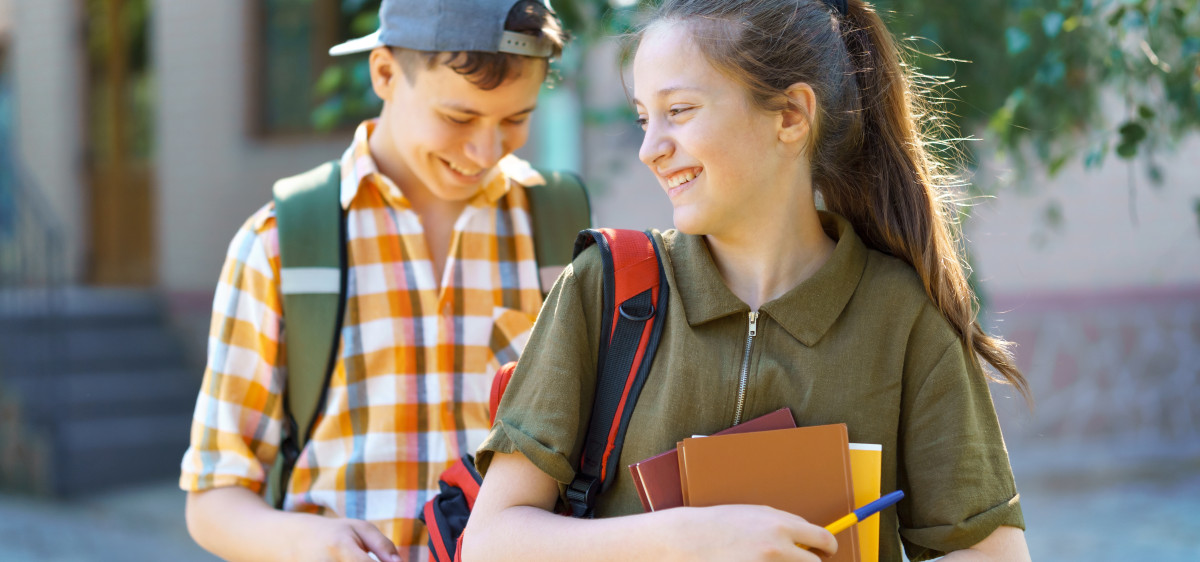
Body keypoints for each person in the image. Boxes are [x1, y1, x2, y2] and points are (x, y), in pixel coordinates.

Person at [462, 0, 1033, 560]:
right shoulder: (604, 288)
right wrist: (685, 541)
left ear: (790, 115)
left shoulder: (905, 319)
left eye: (678, 111)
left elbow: (994, 554)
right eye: (643, 118)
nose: (649, 149)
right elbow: (491, 543)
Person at [179, 1, 566, 561]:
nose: (486, 150)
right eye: (458, 118)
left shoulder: (556, 228)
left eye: (515, 119)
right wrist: (307, 541)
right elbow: (214, 497)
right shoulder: (279, 244)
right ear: (384, 73)